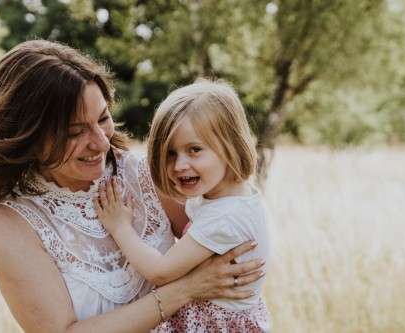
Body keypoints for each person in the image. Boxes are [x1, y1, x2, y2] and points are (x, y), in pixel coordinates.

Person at [0, 40, 266, 333]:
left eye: (103, 118)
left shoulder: (144, 174)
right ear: (27, 136)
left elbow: (230, 255)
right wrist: (184, 290)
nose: (101, 142)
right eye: (76, 131)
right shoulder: (8, 226)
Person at [94, 79, 272, 332]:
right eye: (170, 153)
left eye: (194, 149)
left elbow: (160, 271)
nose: (179, 166)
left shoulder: (226, 217)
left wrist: (120, 226)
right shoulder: (225, 196)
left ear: (231, 146)